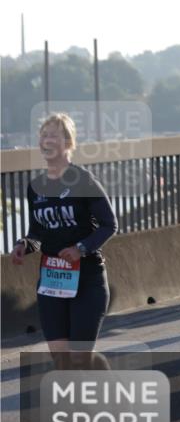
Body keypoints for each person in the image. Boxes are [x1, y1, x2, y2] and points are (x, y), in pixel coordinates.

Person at [11, 113, 118, 369]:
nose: (47, 140)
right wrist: (24, 244)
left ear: (68, 142)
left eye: (54, 135)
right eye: (44, 135)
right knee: (62, 360)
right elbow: (38, 232)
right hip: (52, 281)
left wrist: (81, 248)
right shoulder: (35, 187)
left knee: (79, 358)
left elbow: (109, 224)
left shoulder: (83, 180)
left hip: (87, 279)